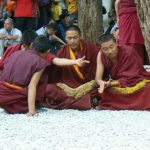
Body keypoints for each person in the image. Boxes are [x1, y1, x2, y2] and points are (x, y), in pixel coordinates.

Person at [0, 35, 90, 116]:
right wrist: (31, 111)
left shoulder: (15, 53)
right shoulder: (39, 62)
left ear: (32, 45)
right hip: (17, 100)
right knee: (51, 90)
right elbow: (32, 85)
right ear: (48, 51)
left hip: (2, 96)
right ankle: (86, 101)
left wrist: (75, 61)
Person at [45, 25, 100, 110]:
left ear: (80, 37)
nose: (72, 41)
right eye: (69, 38)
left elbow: (102, 69)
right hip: (68, 88)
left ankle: (77, 101)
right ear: (65, 38)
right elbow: (55, 74)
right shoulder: (62, 52)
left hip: (87, 86)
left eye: (75, 38)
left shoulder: (91, 49)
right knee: (49, 89)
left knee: (103, 91)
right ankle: (86, 101)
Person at [95, 34, 150, 110]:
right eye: (105, 49)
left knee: (147, 88)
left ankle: (114, 102)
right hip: (118, 84)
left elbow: (135, 75)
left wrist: (111, 83)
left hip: (135, 82)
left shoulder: (129, 52)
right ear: (101, 49)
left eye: (111, 47)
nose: (110, 51)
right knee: (106, 91)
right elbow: (98, 78)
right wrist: (102, 84)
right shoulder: (101, 55)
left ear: (117, 43)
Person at [115, 0, 149, 64]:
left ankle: (127, 62)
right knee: (136, 36)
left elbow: (117, 2)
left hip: (125, 15)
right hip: (135, 14)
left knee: (125, 38)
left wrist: (118, 17)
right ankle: (139, 61)